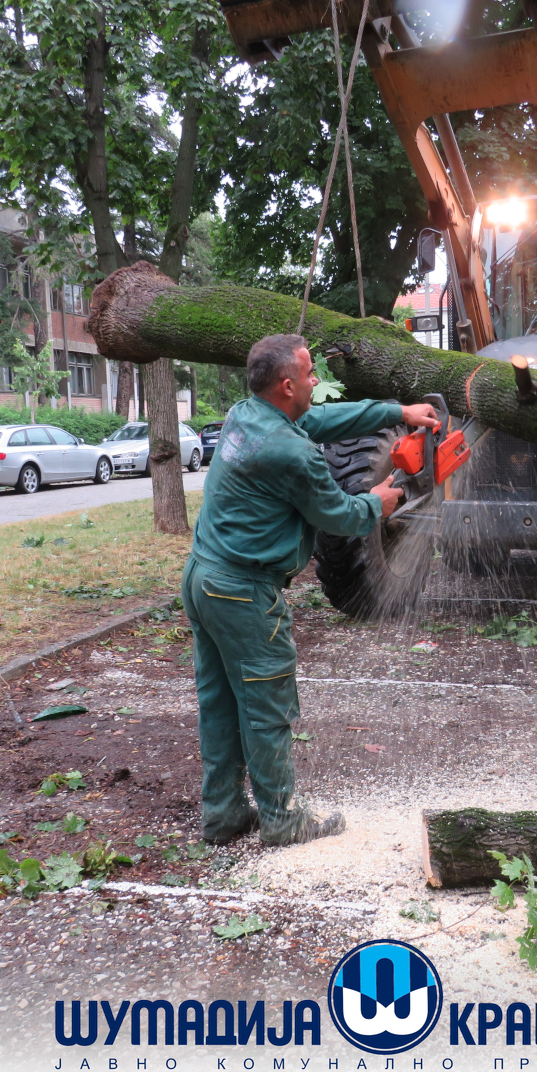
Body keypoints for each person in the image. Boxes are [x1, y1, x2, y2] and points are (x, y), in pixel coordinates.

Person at [181, 333, 438, 847]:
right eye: (308, 374)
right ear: (285, 385)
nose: (316, 380)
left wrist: (397, 412)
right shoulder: (292, 455)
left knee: (220, 702)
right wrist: (378, 502)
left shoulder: (245, 415)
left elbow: (321, 420)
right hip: (242, 591)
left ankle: (224, 813)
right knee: (267, 705)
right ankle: (282, 820)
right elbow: (339, 516)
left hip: (203, 577)